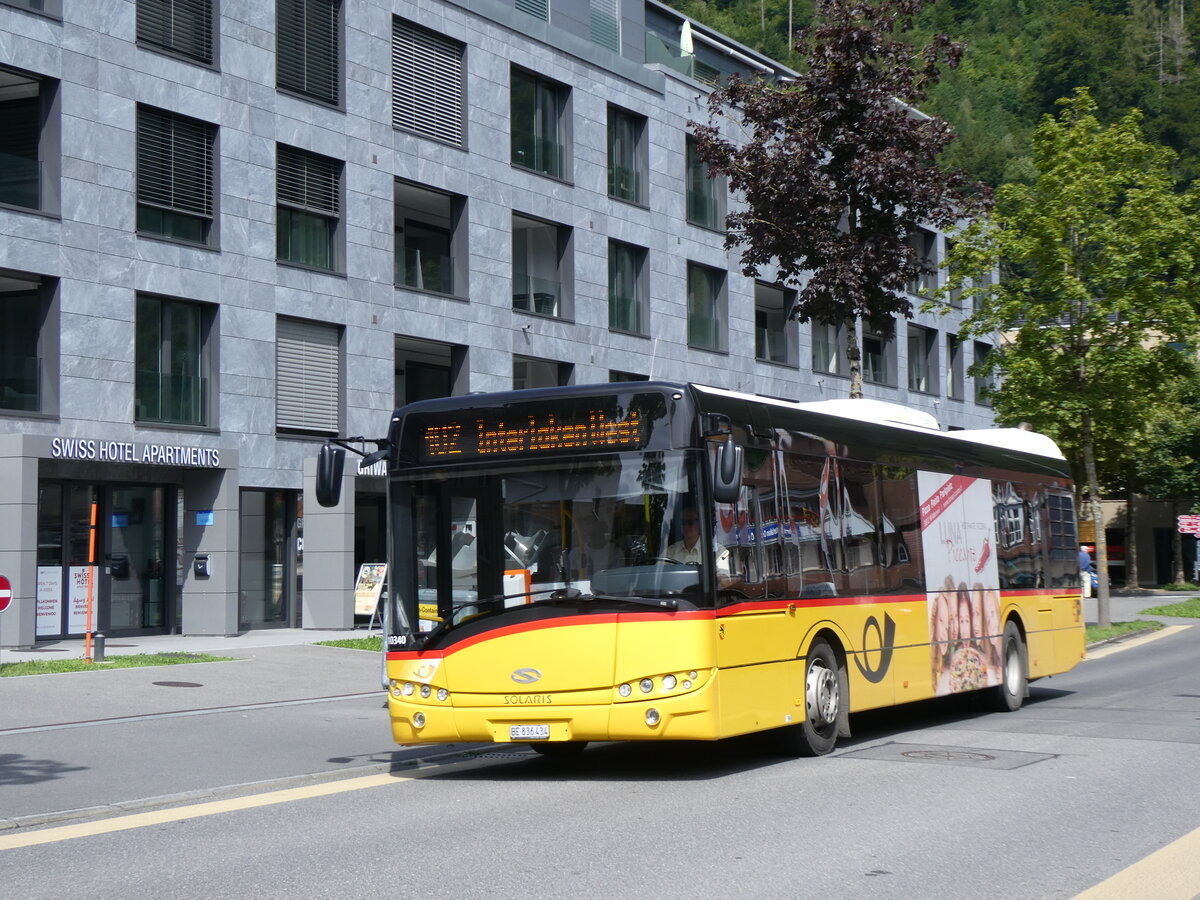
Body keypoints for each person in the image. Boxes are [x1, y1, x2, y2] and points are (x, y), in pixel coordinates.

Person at [665, 506, 731, 581]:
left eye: (690, 523)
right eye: (683, 523)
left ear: (700, 524)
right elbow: (658, 579)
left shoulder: (718, 552)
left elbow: (724, 582)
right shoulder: (669, 552)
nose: (686, 526)